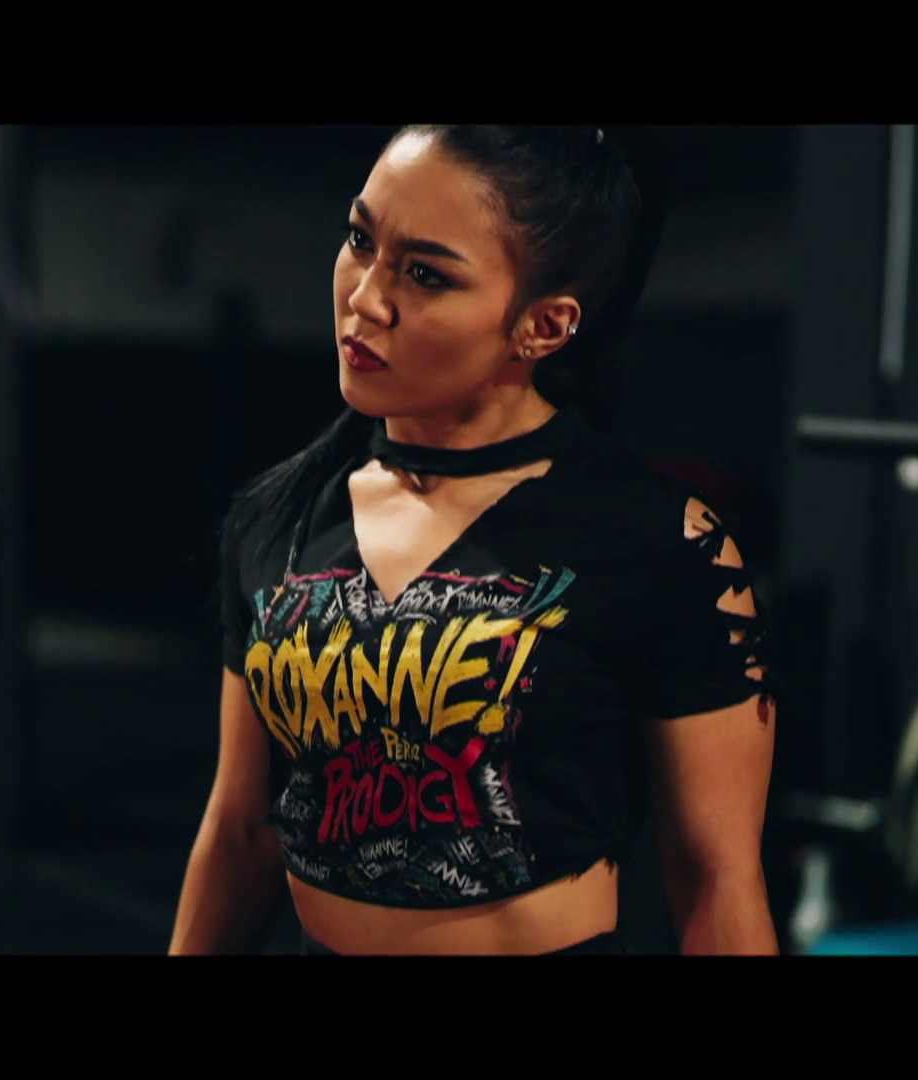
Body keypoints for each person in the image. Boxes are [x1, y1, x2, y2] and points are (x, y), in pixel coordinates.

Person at [169, 125, 778, 956]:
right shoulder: (278, 518)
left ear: (543, 326)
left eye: (426, 274)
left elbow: (717, 878)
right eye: (360, 240)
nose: (365, 299)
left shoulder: (662, 543)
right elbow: (241, 829)